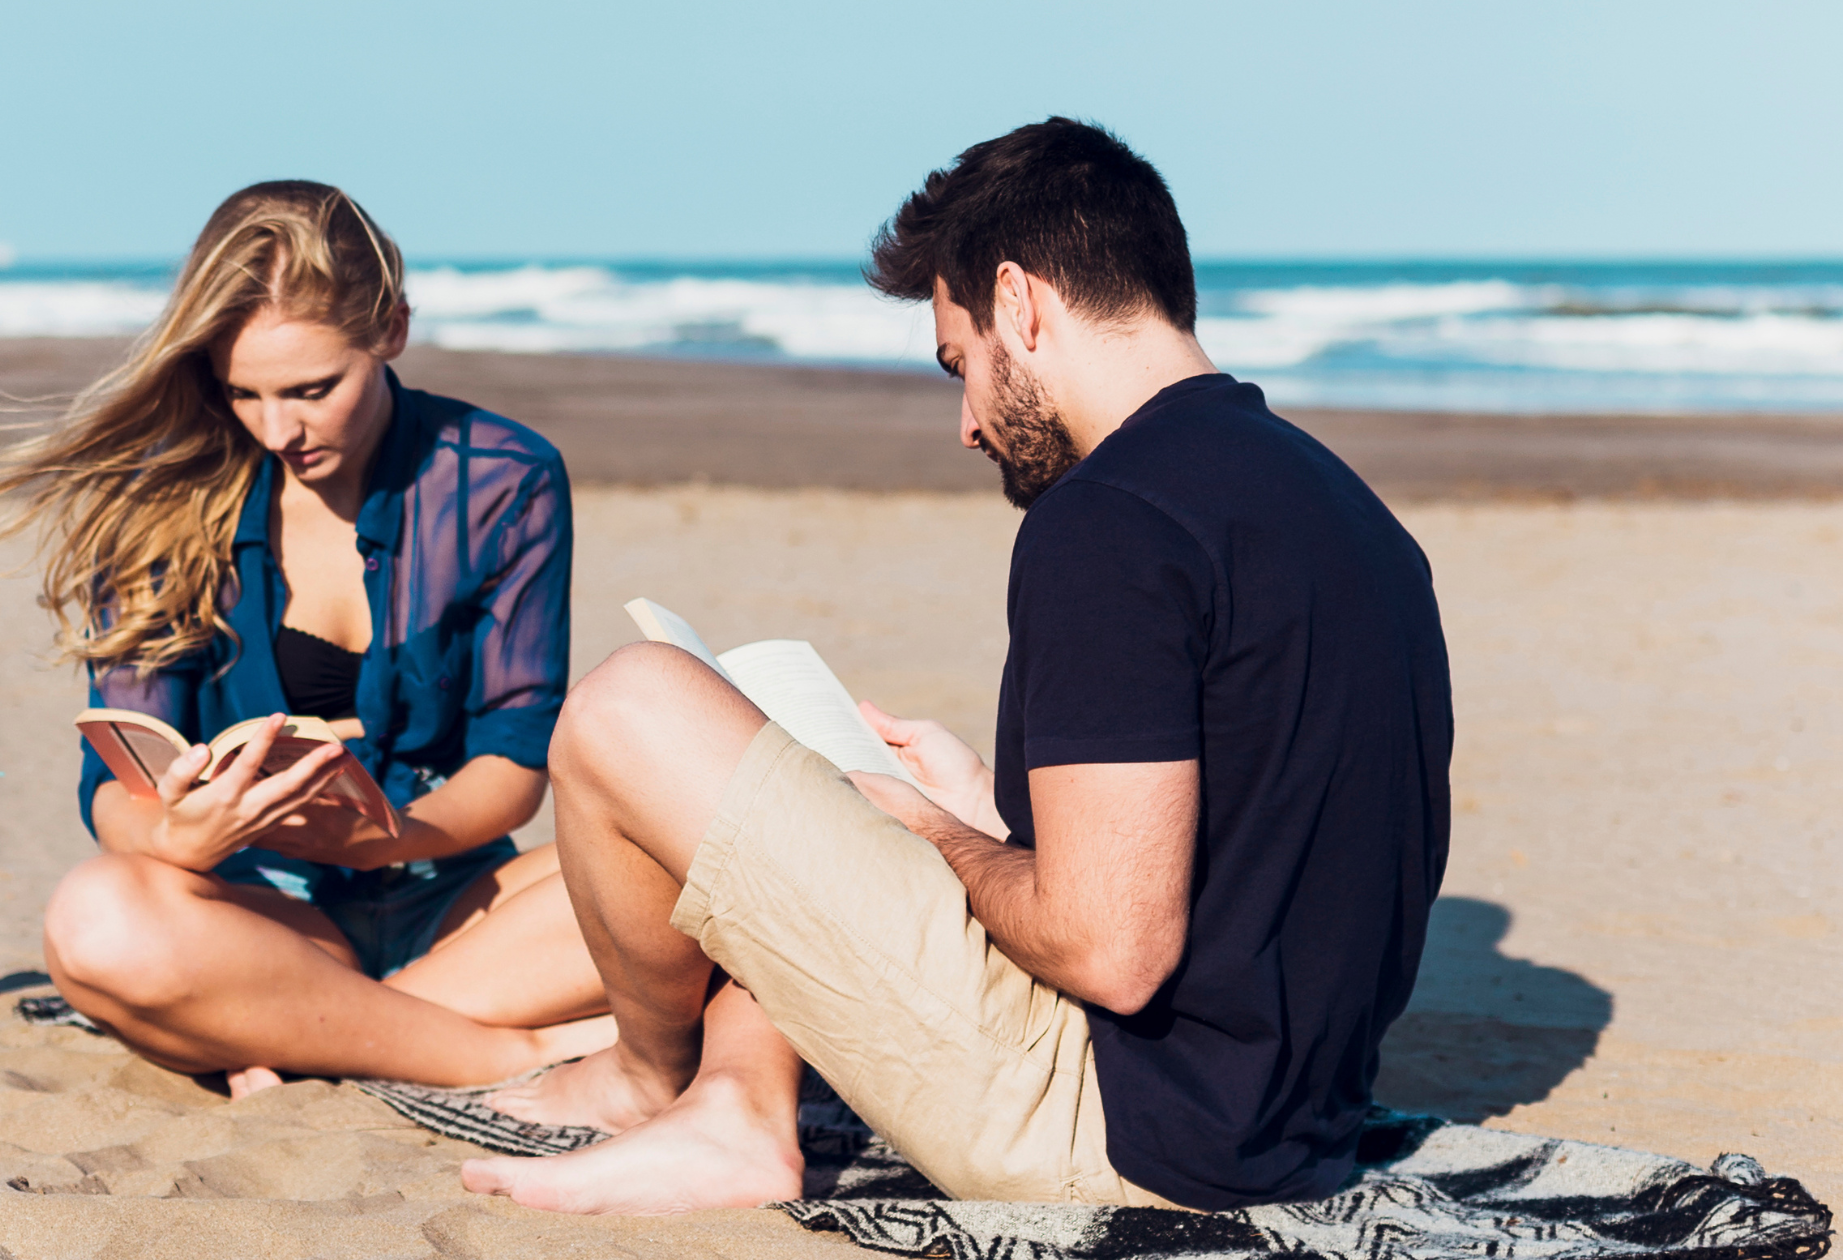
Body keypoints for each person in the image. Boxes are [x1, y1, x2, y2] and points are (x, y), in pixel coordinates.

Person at [458, 119, 1453, 1213]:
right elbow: (1244, 842)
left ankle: (653, 1084)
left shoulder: (1109, 519)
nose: (967, 423)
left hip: (1122, 1134)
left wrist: (934, 833)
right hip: (1285, 1128)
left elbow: (1109, 950)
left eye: (958, 363)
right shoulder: (1352, 517)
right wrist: (981, 807)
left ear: (1019, 304)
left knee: (627, 706)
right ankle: (716, 1099)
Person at [0, 181, 612, 1097]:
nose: (279, 429)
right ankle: (494, 1051)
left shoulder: (502, 477)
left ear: (391, 330)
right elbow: (114, 784)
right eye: (243, 392)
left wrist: (387, 839)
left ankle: (314, 1030)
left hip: (455, 897)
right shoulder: (152, 501)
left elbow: (515, 762)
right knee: (94, 919)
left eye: (313, 389)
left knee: (690, 869)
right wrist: (178, 842)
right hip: (258, 914)